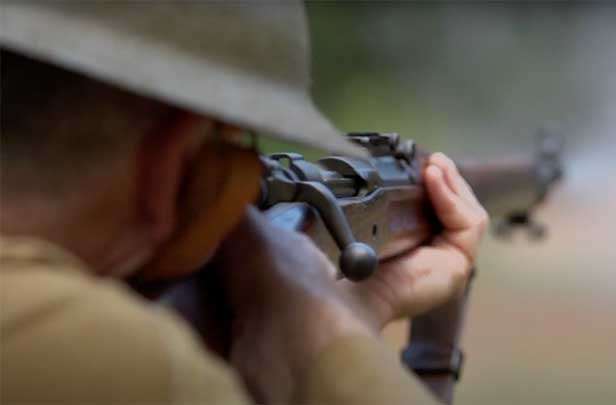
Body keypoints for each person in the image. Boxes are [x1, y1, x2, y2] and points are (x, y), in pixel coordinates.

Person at [0, 2, 488, 404]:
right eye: (233, 146)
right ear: (172, 161)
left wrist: (366, 302)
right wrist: (328, 338)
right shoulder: (131, 363)